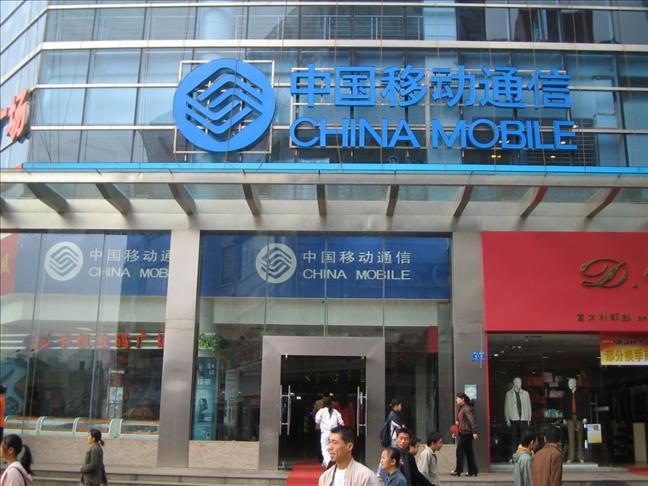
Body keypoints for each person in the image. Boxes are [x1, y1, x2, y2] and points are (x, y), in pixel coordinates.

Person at [451, 392, 478, 477]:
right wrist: (456, 432)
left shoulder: (466, 408)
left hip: (466, 433)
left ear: (462, 399)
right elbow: (460, 422)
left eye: (457, 398)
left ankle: (458, 470)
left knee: (459, 451)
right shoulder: (461, 408)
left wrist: (474, 432)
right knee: (469, 452)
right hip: (465, 433)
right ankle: (473, 471)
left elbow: (472, 420)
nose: (456, 400)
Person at [562, 377, 588, 463]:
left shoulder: (581, 393)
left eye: (571, 383)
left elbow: (585, 405)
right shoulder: (566, 394)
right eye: (569, 383)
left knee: (580, 437)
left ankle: (581, 456)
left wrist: (585, 417)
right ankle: (571, 457)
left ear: (575, 384)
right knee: (571, 437)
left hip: (579, 416)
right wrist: (564, 418)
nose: (569, 384)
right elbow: (564, 407)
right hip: (570, 417)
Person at [505, 377, 532, 460]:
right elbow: (506, 407)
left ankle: (523, 455)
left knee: (523, 437)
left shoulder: (526, 393)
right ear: (514, 384)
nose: (519, 384)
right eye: (517, 382)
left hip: (524, 418)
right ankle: (513, 456)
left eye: (520, 382)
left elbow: (529, 406)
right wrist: (507, 419)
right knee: (514, 438)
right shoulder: (509, 394)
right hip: (513, 418)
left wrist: (529, 418)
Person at [314, 396, 344, 467]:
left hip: (325, 432)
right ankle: (326, 461)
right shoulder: (336, 412)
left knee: (324, 449)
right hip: (334, 433)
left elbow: (317, 420)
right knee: (333, 448)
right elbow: (341, 423)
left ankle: (328, 461)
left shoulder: (321, 411)